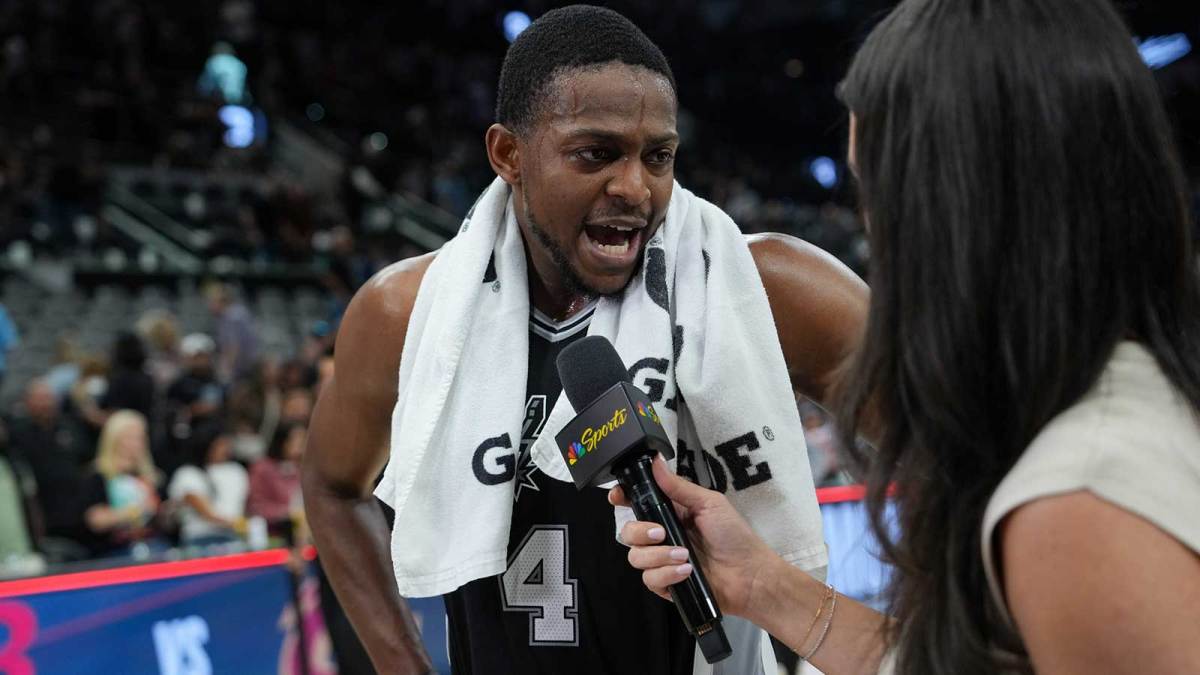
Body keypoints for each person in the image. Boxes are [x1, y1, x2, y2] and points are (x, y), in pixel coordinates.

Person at [615, 1, 1200, 674]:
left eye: (881, 198)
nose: (874, 234)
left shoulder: (1079, 500)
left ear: (963, 209)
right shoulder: (1116, 404)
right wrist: (763, 584)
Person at [303, 5, 868, 675]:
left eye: (658, 156)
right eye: (596, 153)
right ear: (509, 155)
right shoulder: (407, 313)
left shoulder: (766, 286)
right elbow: (331, 484)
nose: (634, 187)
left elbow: (959, 454)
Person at [78, 410, 167, 557]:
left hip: (154, 543)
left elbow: (162, 518)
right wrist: (134, 512)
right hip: (115, 550)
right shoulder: (97, 476)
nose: (136, 444)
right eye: (129, 437)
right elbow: (95, 520)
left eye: (140, 437)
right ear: (114, 439)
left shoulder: (152, 476)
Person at [167, 421, 249, 547]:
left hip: (234, 537)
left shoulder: (237, 471)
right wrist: (240, 524)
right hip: (200, 539)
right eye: (220, 444)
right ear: (206, 444)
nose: (226, 449)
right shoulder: (188, 473)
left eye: (227, 444)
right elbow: (207, 513)